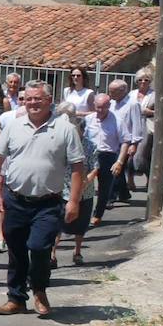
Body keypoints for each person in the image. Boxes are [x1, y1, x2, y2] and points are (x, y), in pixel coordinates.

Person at [0, 80, 84, 318]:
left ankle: (39, 290)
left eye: (37, 98)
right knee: (16, 251)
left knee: (39, 247)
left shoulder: (65, 128)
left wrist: (74, 201)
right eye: (28, 99)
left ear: (49, 100)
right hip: (16, 200)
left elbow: (78, 166)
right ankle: (16, 298)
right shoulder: (13, 126)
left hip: (48, 202)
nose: (32, 103)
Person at [54, 103, 99, 266]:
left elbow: (96, 166)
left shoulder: (90, 145)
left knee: (81, 223)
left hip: (85, 190)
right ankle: (52, 253)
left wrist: (87, 179)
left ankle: (77, 251)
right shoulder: (63, 143)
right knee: (59, 222)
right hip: (64, 188)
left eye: (78, 130)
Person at [83, 92, 122, 226]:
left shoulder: (117, 120)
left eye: (103, 107)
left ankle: (98, 214)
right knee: (84, 184)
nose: (99, 110)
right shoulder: (89, 119)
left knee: (104, 188)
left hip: (108, 155)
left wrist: (119, 161)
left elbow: (125, 141)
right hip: (90, 155)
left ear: (109, 106)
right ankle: (82, 214)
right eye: (97, 107)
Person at [129, 69, 156, 190]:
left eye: (146, 80)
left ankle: (149, 179)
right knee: (130, 153)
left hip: (147, 126)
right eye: (140, 79)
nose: (143, 82)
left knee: (145, 153)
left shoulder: (154, 94)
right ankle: (130, 180)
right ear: (136, 81)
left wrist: (149, 112)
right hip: (132, 125)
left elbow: (160, 111)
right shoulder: (131, 94)